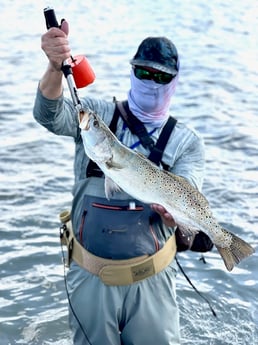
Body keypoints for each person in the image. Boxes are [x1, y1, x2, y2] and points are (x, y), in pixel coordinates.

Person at [33, 21, 205, 345]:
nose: (151, 82)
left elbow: (187, 191)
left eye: (161, 77)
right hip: (90, 275)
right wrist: (55, 68)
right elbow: (48, 114)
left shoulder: (187, 142)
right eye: (144, 73)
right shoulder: (96, 114)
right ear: (131, 72)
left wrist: (177, 219)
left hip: (153, 278)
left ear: (174, 83)